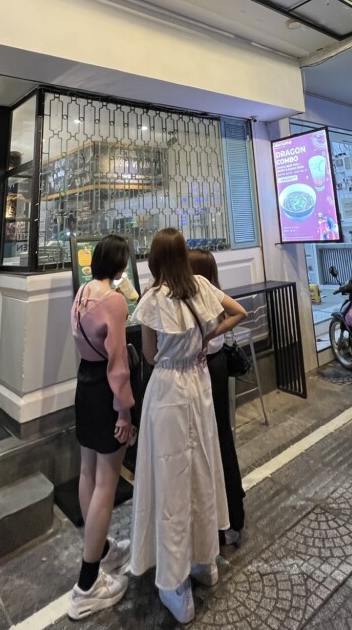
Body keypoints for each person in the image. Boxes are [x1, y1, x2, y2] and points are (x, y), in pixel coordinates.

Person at [130, 228, 247, 624]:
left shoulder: (152, 300)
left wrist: (178, 349)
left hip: (167, 390)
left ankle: (174, 583)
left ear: (154, 259)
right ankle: (204, 562)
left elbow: (149, 355)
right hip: (199, 385)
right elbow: (238, 312)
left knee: (171, 479)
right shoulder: (201, 286)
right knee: (202, 469)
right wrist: (205, 337)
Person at [68, 234, 135, 618]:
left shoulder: (82, 293)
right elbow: (118, 364)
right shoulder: (114, 301)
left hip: (84, 385)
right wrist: (124, 412)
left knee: (88, 472)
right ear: (120, 265)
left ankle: (102, 549)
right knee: (107, 483)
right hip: (107, 393)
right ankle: (87, 583)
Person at [188, 248, 245, 545]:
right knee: (219, 436)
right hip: (216, 365)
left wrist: (206, 337)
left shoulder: (200, 293)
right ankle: (231, 510)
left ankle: (226, 517)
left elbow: (239, 313)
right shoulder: (211, 292)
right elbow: (238, 313)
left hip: (207, 368)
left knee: (211, 440)